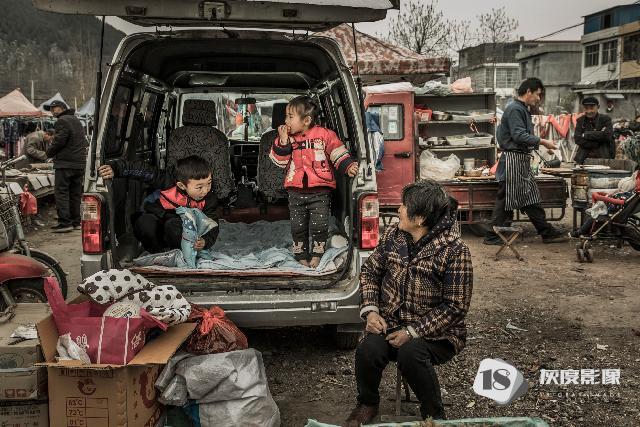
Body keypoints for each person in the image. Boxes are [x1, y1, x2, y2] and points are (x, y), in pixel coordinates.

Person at [345, 180, 473, 426]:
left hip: (438, 334)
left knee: (411, 353)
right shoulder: (394, 236)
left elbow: (455, 307)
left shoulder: (455, 251)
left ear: (421, 219)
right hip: (391, 324)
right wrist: (371, 311)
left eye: (404, 206)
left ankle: (434, 415)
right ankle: (367, 404)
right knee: (368, 349)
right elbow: (370, 272)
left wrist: (412, 332)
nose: (399, 210)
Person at [269, 96, 358, 268]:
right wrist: (283, 141)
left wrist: (348, 166)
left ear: (306, 120)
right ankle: (301, 255)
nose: (286, 120)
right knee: (298, 227)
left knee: (319, 226)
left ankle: (317, 254)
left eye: (290, 116)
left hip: (320, 192)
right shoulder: (287, 139)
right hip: (295, 193)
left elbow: (337, 152)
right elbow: (279, 161)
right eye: (286, 116)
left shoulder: (324, 135)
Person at [484, 78, 568, 245]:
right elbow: (519, 135)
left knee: (528, 196)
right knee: (511, 197)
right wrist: (543, 142)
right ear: (528, 91)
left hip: (519, 160)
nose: (538, 98)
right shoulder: (516, 109)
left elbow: (520, 135)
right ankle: (493, 235)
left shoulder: (520, 108)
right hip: (514, 160)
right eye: (538, 94)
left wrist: (539, 143)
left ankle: (546, 232)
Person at [97, 155, 219, 254]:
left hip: (181, 232)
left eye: (209, 183)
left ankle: (178, 252)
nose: (206, 190)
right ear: (181, 185)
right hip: (159, 221)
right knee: (144, 222)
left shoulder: (209, 199)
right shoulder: (166, 180)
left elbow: (212, 225)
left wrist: (205, 242)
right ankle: (156, 252)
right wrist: (116, 169)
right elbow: (141, 170)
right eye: (199, 187)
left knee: (173, 225)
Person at [44, 100, 88, 233]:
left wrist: (48, 153)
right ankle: (76, 221)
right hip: (79, 163)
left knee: (61, 193)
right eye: (51, 109)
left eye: (55, 108)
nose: (52, 111)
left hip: (65, 163)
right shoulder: (76, 120)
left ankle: (65, 223)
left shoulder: (62, 120)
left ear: (62, 108)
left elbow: (59, 141)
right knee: (75, 193)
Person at [574, 97, 614, 164]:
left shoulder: (605, 119)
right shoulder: (580, 121)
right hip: (583, 157)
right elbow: (577, 139)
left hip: (603, 156)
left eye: (592, 108)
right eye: (586, 108)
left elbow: (607, 135)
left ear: (598, 107)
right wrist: (597, 141)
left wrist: (586, 134)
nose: (589, 111)